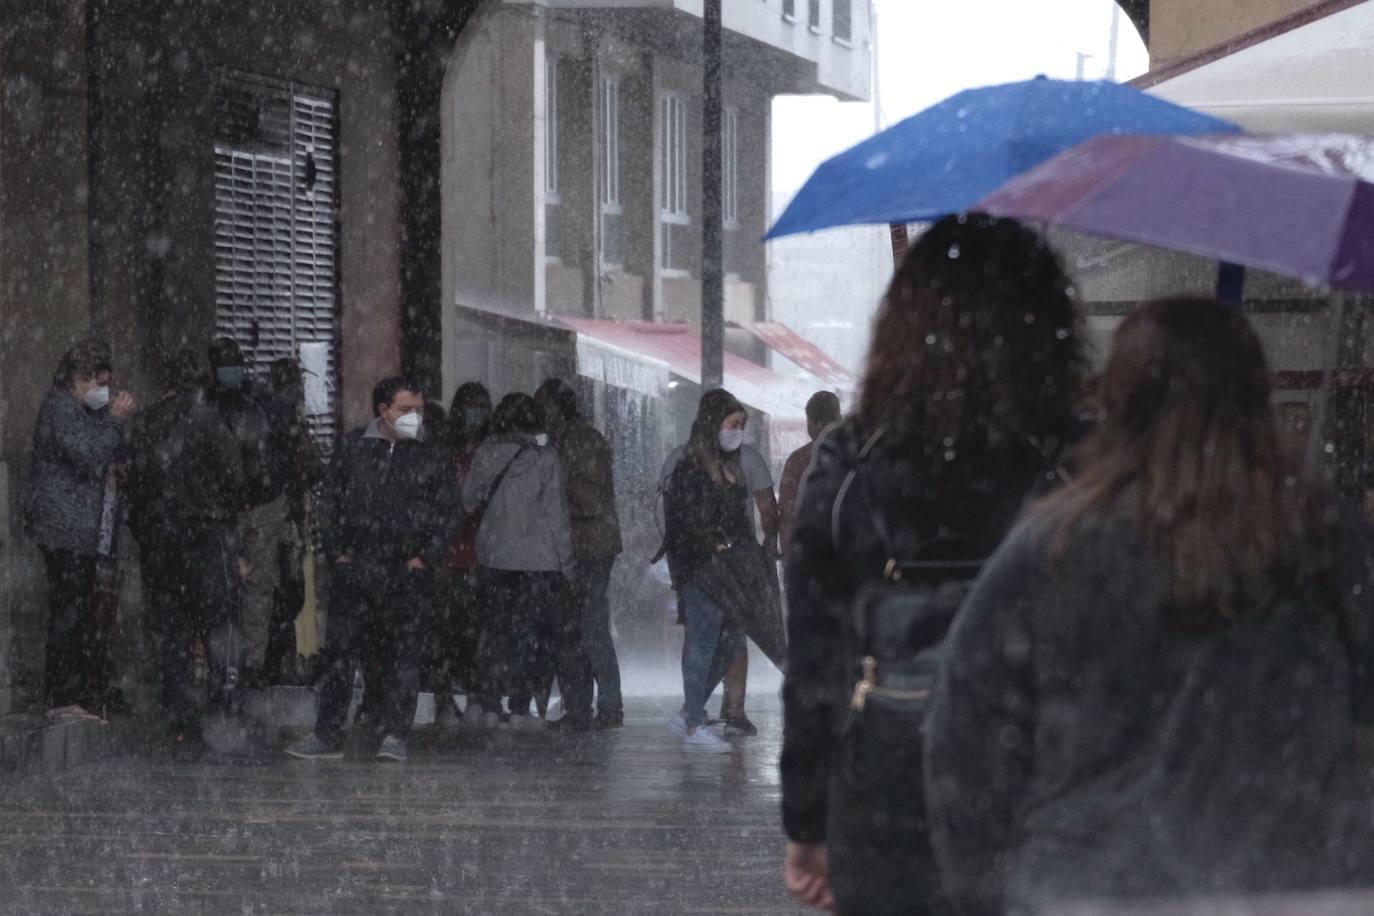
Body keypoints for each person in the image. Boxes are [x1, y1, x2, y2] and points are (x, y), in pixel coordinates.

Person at [925, 297, 1374, 915]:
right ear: (1254, 398)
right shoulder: (1325, 537)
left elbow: (964, 738)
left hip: (1089, 886)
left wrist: (990, 891)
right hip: (1296, 883)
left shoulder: (1054, 544)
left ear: (1121, 401)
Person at [781, 214, 1085, 915]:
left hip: (888, 783)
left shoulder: (851, 461)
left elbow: (817, 661)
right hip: (1046, 781)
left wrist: (807, 820)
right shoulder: (1079, 462)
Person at [286, 376, 455, 763]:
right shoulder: (353, 448)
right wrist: (337, 550)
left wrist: (424, 557)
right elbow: (329, 500)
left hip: (405, 572)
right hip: (356, 569)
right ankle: (328, 733)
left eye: (419, 409)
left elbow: (447, 511)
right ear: (384, 411)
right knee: (342, 653)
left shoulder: (429, 454)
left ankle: (395, 733)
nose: (415, 417)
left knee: (402, 655)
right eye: (406, 410)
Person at [126, 350, 248, 760]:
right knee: (220, 626)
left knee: (172, 632)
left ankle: (181, 722)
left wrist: (147, 531)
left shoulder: (146, 423)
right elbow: (235, 480)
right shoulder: (213, 423)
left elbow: (136, 486)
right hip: (208, 538)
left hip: (163, 541)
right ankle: (221, 712)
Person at [24, 337, 136, 722]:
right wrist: (116, 421)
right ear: (78, 378)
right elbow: (88, 454)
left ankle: (72, 693)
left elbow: (96, 448)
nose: (102, 392)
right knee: (68, 611)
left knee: (77, 609)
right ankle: (60, 696)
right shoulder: (60, 408)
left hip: (77, 528)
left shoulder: (77, 410)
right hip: (63, 527)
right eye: (97, 383)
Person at [463, 393, 590, 731]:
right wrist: (568, 565)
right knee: (532, 637)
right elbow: (558, 516)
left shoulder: (485, 454)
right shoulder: (546, 459)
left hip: (494, 559)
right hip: (541, 564)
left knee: (494, 633)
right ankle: (521, 705)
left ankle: (489, 701)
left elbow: (468, 500)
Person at [663, 388, 776, 755]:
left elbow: (738, 518)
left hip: (728, 572)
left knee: (728, 644)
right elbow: (688, 520)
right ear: (714, 424)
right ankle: (694, 720)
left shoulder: (731, 465)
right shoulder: (692, 467)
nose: (738, 432)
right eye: (733, 424)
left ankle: (690, 713)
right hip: (702, 571)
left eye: (741, 425)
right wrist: (714, 544)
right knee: (705, 641)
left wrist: (744, 552)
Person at [207, 338, 300, 687]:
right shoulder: (217, 404)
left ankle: (249, 663)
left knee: (256, 586)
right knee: (239, 587)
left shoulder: (260, 402)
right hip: (236, 506)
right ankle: (237, 663)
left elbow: (283, 450)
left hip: (258, 504)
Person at [535, 379, 625, 730]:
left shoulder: (582, 441)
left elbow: (593, 499)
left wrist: (557, 485)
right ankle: (579, 706)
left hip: (590, 547)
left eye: (544, 406)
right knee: (573, 629)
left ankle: (607, 706)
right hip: (572, 547)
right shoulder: (563, 441)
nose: (540, 414)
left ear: (558, 407)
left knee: (589, 628)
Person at [434, 381, 494, 727]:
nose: (477, 414)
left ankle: (473, 695)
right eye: (472, 406)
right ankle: (446, 699)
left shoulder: (489, 451)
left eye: (483, 407)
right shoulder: (448, 452)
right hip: (452, 556)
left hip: (481, 555)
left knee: (474, 633)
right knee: (448, 632)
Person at [778, 391, 842, 557]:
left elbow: (788, 512)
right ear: (839, 417)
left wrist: (790, 556)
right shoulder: (857, 455)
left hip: (810, 552)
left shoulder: (798, 460)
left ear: (815, 424)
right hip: (848, 551)